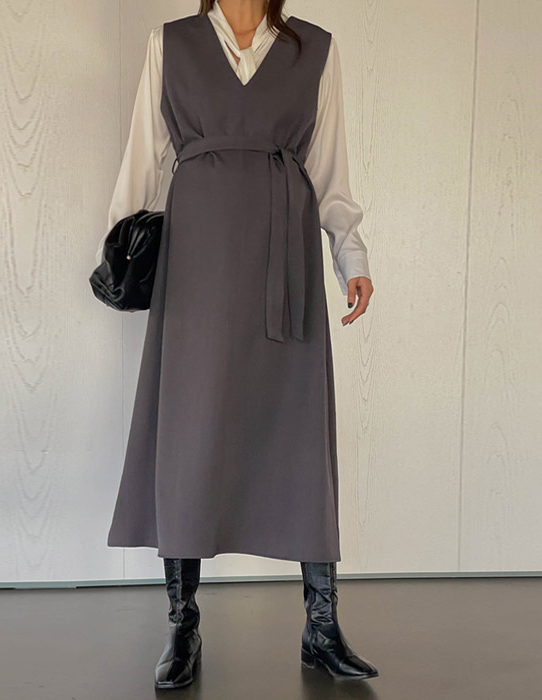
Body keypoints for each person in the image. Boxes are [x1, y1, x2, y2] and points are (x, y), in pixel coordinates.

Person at [97, 0, 378, 688]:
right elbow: (143, 159)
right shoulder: (171, 44)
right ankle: (183, 626)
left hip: (285, 262)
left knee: (300, 432)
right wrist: (119, 255)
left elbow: (330, 171)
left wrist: (352, 256)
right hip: (196, 265)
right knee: (189, 435)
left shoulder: (315, 49)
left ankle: (321, 626)